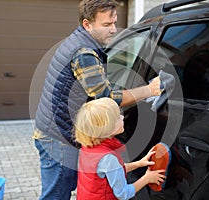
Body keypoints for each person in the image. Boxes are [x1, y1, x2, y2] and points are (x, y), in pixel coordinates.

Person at [32, 0, 163, 199]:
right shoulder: (84, 53)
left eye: (114, 23)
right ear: (87, 24)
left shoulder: (80, 42)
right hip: (57, 139)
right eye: (106, 25)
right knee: (56, 195)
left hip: (54, 130)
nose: (113, 30)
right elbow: (106, 97)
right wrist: (149, 90)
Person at [75, 97, 167, 200]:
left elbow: (112, 171)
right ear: (106, 130)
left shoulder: (88, 147)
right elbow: (123, 194)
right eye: (117, 119)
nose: (122, 117)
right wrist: (147, 178)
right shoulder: (108, 158)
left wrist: (139, 164)